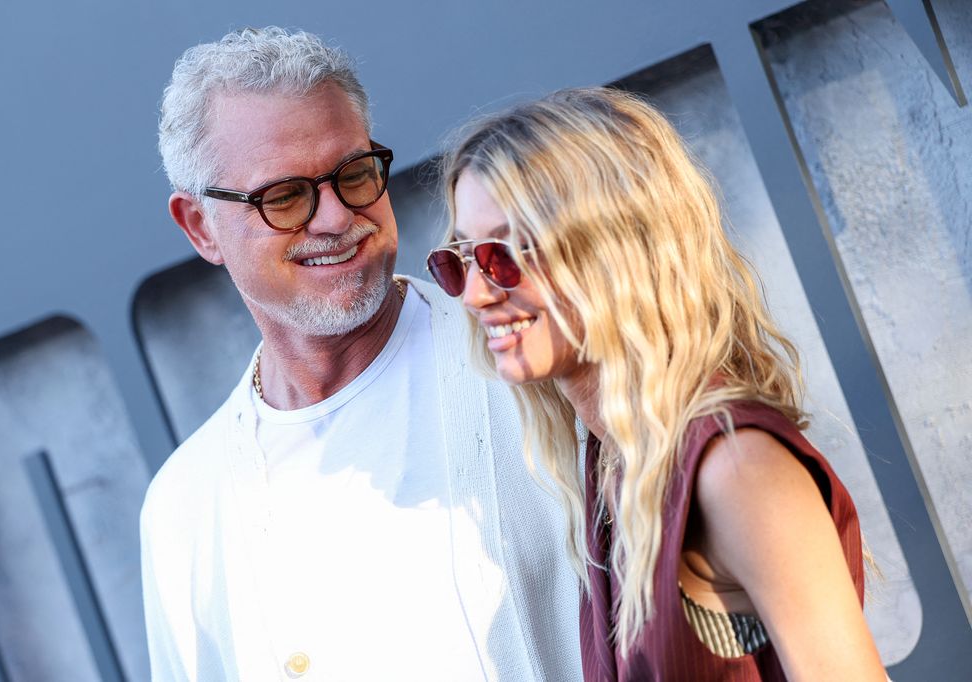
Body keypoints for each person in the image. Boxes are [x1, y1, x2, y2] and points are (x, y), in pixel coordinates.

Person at [140, 27, 581, 681]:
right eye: (284, 196)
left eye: (354, 174)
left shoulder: (529, 362)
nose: (336, 218)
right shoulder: (184, 507)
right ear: (200, 226)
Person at [428, 87, 887, 680]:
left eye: (507, 254)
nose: (475, 293)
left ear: (615, 254)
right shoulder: (609, 464)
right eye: (461, 259)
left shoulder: (736, 470)